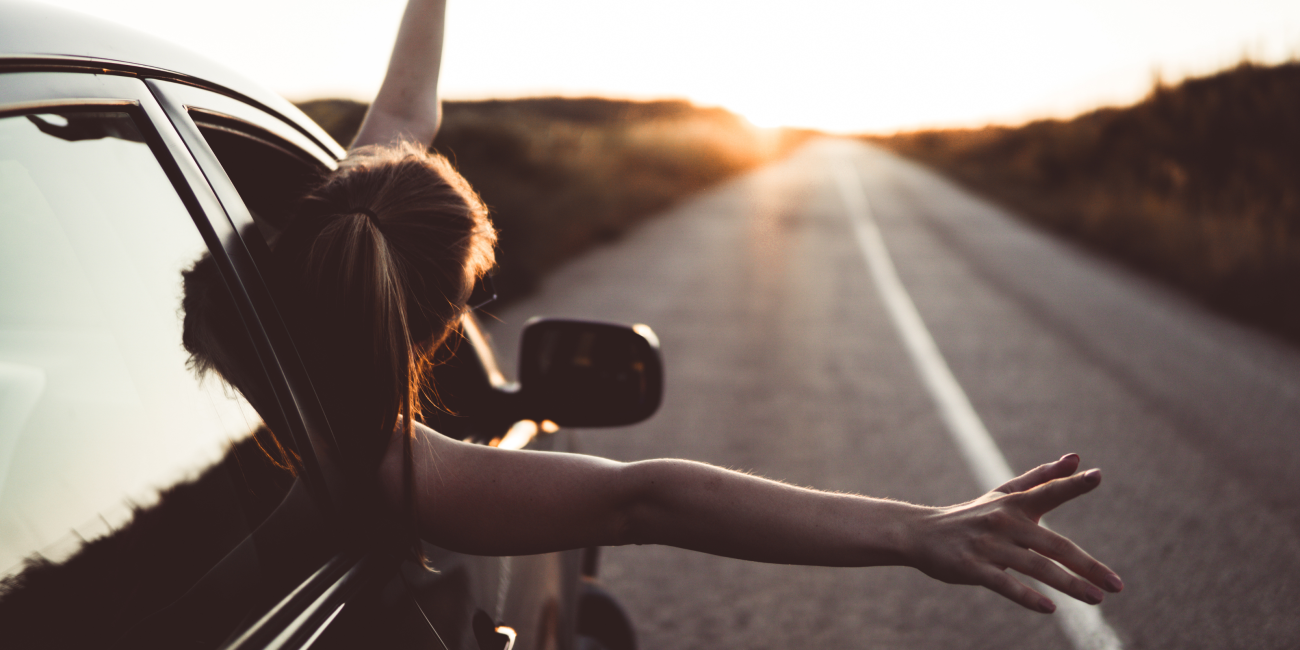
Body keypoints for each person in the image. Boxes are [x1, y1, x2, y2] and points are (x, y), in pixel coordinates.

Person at [186, 0, 1124, 619]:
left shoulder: (241, 301)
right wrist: (913, 529)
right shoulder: (385, 461)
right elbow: (654, 496)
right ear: (420, 326)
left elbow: (399, 121)